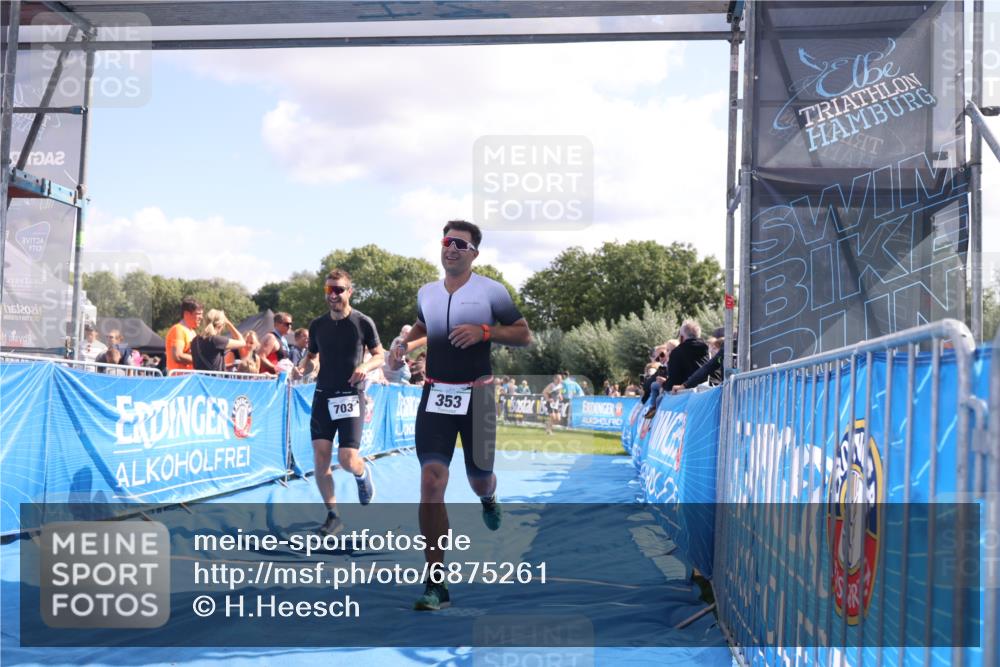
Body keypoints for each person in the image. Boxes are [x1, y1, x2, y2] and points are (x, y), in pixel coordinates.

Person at [392, 220, 531, 611]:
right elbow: (423, 325)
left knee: (478, 479)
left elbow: (522, 334)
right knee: (431, 483)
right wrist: (406, 345)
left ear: (474, 253)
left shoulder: (491, 291)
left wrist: (484, 332)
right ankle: (436, 584)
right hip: (436, 394)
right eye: (446, 241)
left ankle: (489, 498)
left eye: (460, 244)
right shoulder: (427, 293)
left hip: (479, 397)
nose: (450, 248)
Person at [304, 269, 385, 536]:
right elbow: (312, 357)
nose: (334, 295)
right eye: (329, 289)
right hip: (323, 395)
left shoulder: (363, 322)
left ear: (349, 291)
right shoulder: (317, 325)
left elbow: (379, 356)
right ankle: (333, 515)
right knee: (321, 457)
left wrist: (365, 366)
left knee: (348, 458)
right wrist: (303, 368)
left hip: (351, 396)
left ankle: (362, 475)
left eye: (339, 289)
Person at [645, 320, 709, 418]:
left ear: (682, 337)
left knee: (658, 397)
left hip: (683, 398)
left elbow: (673, 382)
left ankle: (650, 422)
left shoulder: (678, 352)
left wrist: (664, 383)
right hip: (705, 395)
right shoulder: (706, 350)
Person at [165, 297, 203, 373]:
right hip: (179, 380)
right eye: (198, 314)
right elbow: (178, 356)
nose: (201, 317)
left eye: (202, 314)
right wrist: (200, 360)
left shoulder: (192, 332)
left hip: (188, 379)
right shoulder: (178, 329)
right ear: (186, 314)